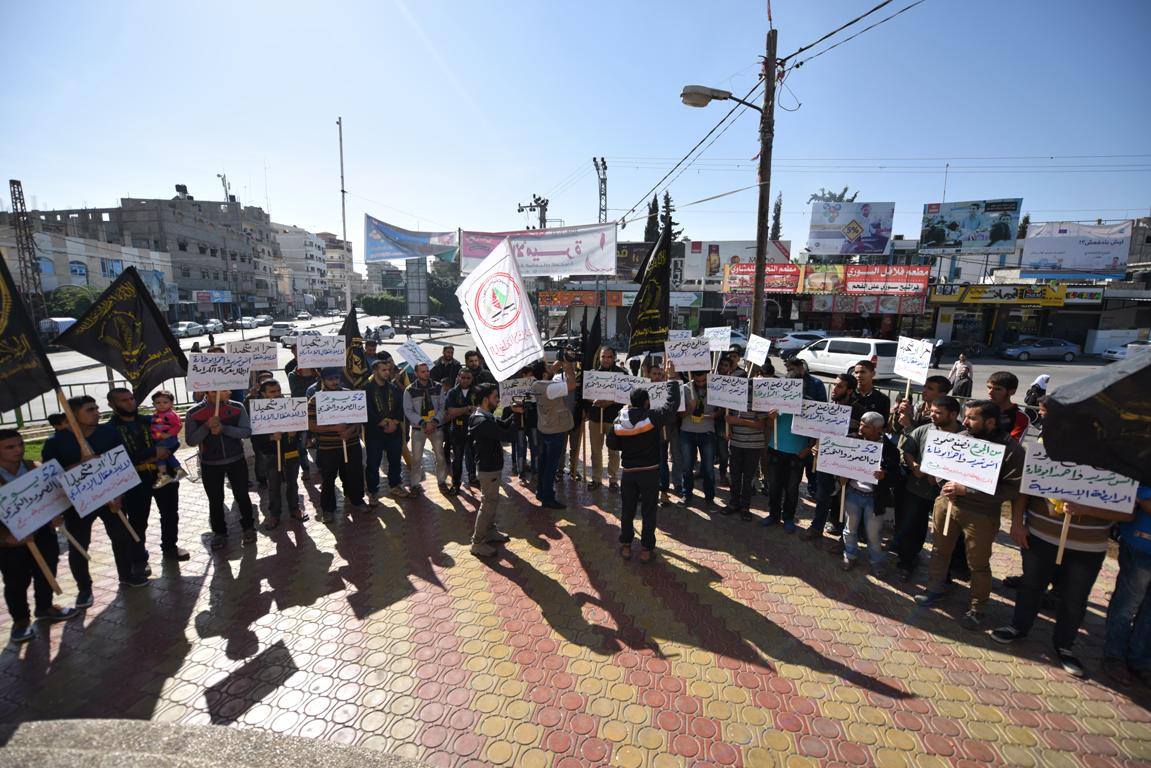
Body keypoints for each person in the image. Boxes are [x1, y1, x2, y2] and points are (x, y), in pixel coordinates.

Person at [992, 495, 1133, 678]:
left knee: (1075, 598)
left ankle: (1065, 646)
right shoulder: (1046, 464)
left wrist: (1087, 509)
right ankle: (1018, 626)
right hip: (1040, 535)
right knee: (1031, 586)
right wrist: (1017, 522)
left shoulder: (1124, 468)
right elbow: (1023, 489)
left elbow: (1128, 514)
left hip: (1089, 546)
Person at [915, 399, 1024, 630]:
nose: (964, 422)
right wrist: (944, 483)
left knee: (978, 563)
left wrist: (967, 490)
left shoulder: (1011, 448)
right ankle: (935, 588)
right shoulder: (961, 438)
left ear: (991, 422)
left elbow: (1012, 488)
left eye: (972, 418)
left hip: (981, 514)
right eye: (965, 417)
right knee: (939, 550)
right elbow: (938, 467)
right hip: (947, 505)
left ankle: (978, 608)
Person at [43, 396, 135, 600]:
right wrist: (80, 465)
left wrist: (119, 494)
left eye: (96, 408)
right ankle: (84, 588)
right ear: (73, 415)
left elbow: (122, 463)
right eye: (89, 409)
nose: (96, 412)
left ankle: (127, 575)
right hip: (78, 504)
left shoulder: (108, 433)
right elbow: (51, 478)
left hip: (111, 497)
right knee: (80, 544)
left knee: (121, 537)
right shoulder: (56, 443)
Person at [92, 388, 186, 581]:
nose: (130, 403)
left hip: (162, 473)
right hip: (135, 480)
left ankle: (170, 546)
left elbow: (172, 441)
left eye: (131, 398)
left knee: (170, 513)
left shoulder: (149, 420)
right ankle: (139, 558)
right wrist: (153, 452)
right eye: (123, 400)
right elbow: (119, 457)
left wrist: (166, 449)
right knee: (137, 520)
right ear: (112, 404)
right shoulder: (109, 430)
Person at [0, 429, 77, 643]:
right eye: (10, 447)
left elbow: (51, 495)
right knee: (16, 581)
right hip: (12, 543)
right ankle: (21, 621)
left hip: (42, 533)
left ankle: (44, 607)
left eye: (19, 444)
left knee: (47, 569)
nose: (18, 450)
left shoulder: (33, 468)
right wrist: (6, 537)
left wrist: (55, 514)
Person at [606, 362, 681, 562]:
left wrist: (628, 446)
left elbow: (611, 442)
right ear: (647, 402)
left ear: (631, 402)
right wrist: (672, 379)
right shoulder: (652, 417)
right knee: (649, 511)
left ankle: (626, 546)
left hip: (629, 472)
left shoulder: (619, 419)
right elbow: (671, 406)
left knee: (628, 510)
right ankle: (646, 550)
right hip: (650, 472)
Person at [894, 396, 963, 581]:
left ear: (954, 414)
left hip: (948, 496)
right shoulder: (923, 429)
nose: (933, 415)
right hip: (917, 489)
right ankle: (907, 562)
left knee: (947, 533)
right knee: (912, 527)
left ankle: (944, 573)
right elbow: (907, 449)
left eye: (938, 413)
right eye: (932, 411)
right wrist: (914, 465)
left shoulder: (966, 437)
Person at [186, 390, 257, 549]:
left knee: (242, 495)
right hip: (210, 464)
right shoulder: (194, 413)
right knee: (215, 500)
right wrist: (206, 426)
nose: (229, 392)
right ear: (211, 392)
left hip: (236, 460)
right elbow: (191, 440)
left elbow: (246, 432)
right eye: (224, 390)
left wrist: (224, 428)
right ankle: (219, 533)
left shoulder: (237, 407)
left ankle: (248, 527)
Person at [836, 412, 900, 576]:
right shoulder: (852, 439)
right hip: (852, 493)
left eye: (866, 426)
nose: (861, 428)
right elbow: (839, 462)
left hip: (874, 499)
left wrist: (884, 475)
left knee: (873, 534)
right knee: (850, 529)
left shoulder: (890, 449)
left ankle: (876, 562)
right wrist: (840, 477)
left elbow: (896, 477)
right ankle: (849, 555)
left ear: (878, 429)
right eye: (861, 423)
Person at [467, 383, 523, 557]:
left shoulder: (485, 415)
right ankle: (477, 542)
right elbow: (507, 435)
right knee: (488, 504)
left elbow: (503, 425)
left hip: (491, 466)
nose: (498, 400)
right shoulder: (481, 420)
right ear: (485, 400)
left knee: (492, 502)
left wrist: (514, 412)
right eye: (495, 397)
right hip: (487, 468)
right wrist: (517, 417)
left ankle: (490, 531)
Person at [1103, 486, 1151, 685]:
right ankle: (1114, 657)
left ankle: (1139, 661)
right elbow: (1144, 496)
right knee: (1127, 604)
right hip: (1142, 544)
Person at [803, 373, 857, 544]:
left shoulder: (858, 411)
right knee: (822, 495)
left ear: (849, 390)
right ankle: (816, 527)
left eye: (839, 386)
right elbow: (818, 431)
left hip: (847, 463)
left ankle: (844, 538)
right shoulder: (827, 407)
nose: (834, 389)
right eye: (834, 385)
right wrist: (814, 446)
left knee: (846, 501)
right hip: (825, 460)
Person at [310, 368, 368, 520]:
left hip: (351, 444)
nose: (335, 382)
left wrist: (350, 431)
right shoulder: (315, 400)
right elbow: (311, 425)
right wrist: (334, 428)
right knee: (328, 479)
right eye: (330, 379)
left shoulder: (350, 395)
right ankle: (328, 509)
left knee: (354, 474)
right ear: (323, 381)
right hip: (328, 448)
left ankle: (357, 500)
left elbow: (359, 419)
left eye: (337, 378)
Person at [251, 379, 306, 529]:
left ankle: (295, 508)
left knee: (292, 483)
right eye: (272, 392)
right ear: (263, 394)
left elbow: (301, 425)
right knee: (273, 486)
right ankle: (275, 514)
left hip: (290, 451)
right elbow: (255, 437)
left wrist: (296, 431)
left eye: (278, 391)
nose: (276, 394)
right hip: (271, 454)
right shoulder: (258, 409)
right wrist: (270, 437)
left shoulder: (290, 405)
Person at [531, 358, 579, 510]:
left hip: (544, 428)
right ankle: (548, 498)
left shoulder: (536, 384)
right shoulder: (551, 388)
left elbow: (549, 372)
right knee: (551, 466)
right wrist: (568, 367)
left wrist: (561, 359)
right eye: (548, 367)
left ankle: (540, 491)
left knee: (544, 463)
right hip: (556, 430)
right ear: (545, 374)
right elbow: (571, 384)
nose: (552, 367)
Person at [365, 358, 409, 501]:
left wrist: (394, 422)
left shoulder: (394, 388)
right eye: (383, 370)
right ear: (375, 371)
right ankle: (372, 491)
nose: (387, 373)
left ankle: (395, 485)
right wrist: (382, 423)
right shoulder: (367, 389)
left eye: (388, 370)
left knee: (395, 460)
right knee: (373, 463)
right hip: (374, 433)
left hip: (394, 431)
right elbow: (367, 411)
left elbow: (400, 407)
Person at [404, 362, 448, 495]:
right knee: (416, 459)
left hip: (436, 427)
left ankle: (441, 481)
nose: (426, 373)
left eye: (427, 371)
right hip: (419, 429)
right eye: (422, 371)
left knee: (440, 456)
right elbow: (408, 410)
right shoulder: (410, 390)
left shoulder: (438, 387)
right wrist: (423, 423)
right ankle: (415, 484)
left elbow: (442, 407)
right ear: (416, 373)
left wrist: (434, 421)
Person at [584, 346, 625, 491]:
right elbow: (587, 396)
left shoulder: (621, 374)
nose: (606, 359)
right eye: (603, 357)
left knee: (613, 451)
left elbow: (625, 396)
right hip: (596, 418)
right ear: (599, 358)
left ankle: (613, 480)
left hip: (614, 419)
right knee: (596, 451)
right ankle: (596, 479)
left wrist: (610, 402)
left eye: (609, 357)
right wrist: (595, 401)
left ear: (614, 358)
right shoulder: (592, 374)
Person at [680, 369, 718, 508]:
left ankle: (709, 498)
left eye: (703, 380)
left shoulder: (715, 388)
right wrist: (690, 408)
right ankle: (687, 495)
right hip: (687, 432)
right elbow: (680, 415)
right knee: (687, 467)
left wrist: (715, 414)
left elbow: (722, 409)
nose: (701, 383)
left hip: (707, 432)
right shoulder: (685, 389)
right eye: (697, 380)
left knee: (708, 468)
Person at [646, 364, 682, 506]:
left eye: (661, 374)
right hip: (650, 432)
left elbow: (674, 407)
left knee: (663, 461)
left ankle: (664, 491)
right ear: (649, 375)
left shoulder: (670, 388)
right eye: (655, 374)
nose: (658, 377)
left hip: (667, 430)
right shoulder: (644, 390)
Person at [725, 400, 765, 522]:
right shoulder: (732, 399)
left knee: (748, 478)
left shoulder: (759, 401)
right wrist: (729, 429)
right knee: (734, 476)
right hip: (736, 444)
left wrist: (739, 421)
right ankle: (734, 503)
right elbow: (728, 418)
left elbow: (761, 424)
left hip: (753, 446)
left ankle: (745, 507)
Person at [444, 368, 482, 494]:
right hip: (457, 430)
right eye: (463, 377)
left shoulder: (477, 392)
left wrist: (462, 410)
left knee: (474, 456)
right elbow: (451, 411)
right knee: (458, 458)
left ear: (472, 379)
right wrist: (467, 408)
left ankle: (473, 477)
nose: (465, 380)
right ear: (458, 378)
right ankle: (456, 484)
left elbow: (481, 408)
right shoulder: (452, 392)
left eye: (468, 378)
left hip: (474, 429)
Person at [150, 390, 186, 488]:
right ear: (153, 404)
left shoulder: (171, 414)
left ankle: (164, 475)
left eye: (165, 402)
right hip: (160, 440)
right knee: (167, 456)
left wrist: (169, 434)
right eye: (158, 403)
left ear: (171, 403)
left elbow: (178, 425)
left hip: (169, 439)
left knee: (160, 454)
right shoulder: (157, 413)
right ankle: (178, 470)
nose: (161, 405)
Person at [851, 360, 891, 429]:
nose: (859, 375)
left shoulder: (883, 399)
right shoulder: (847, 394)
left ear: (873, 374)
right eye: (856, 372)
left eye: (863, 372)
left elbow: (883, 426)